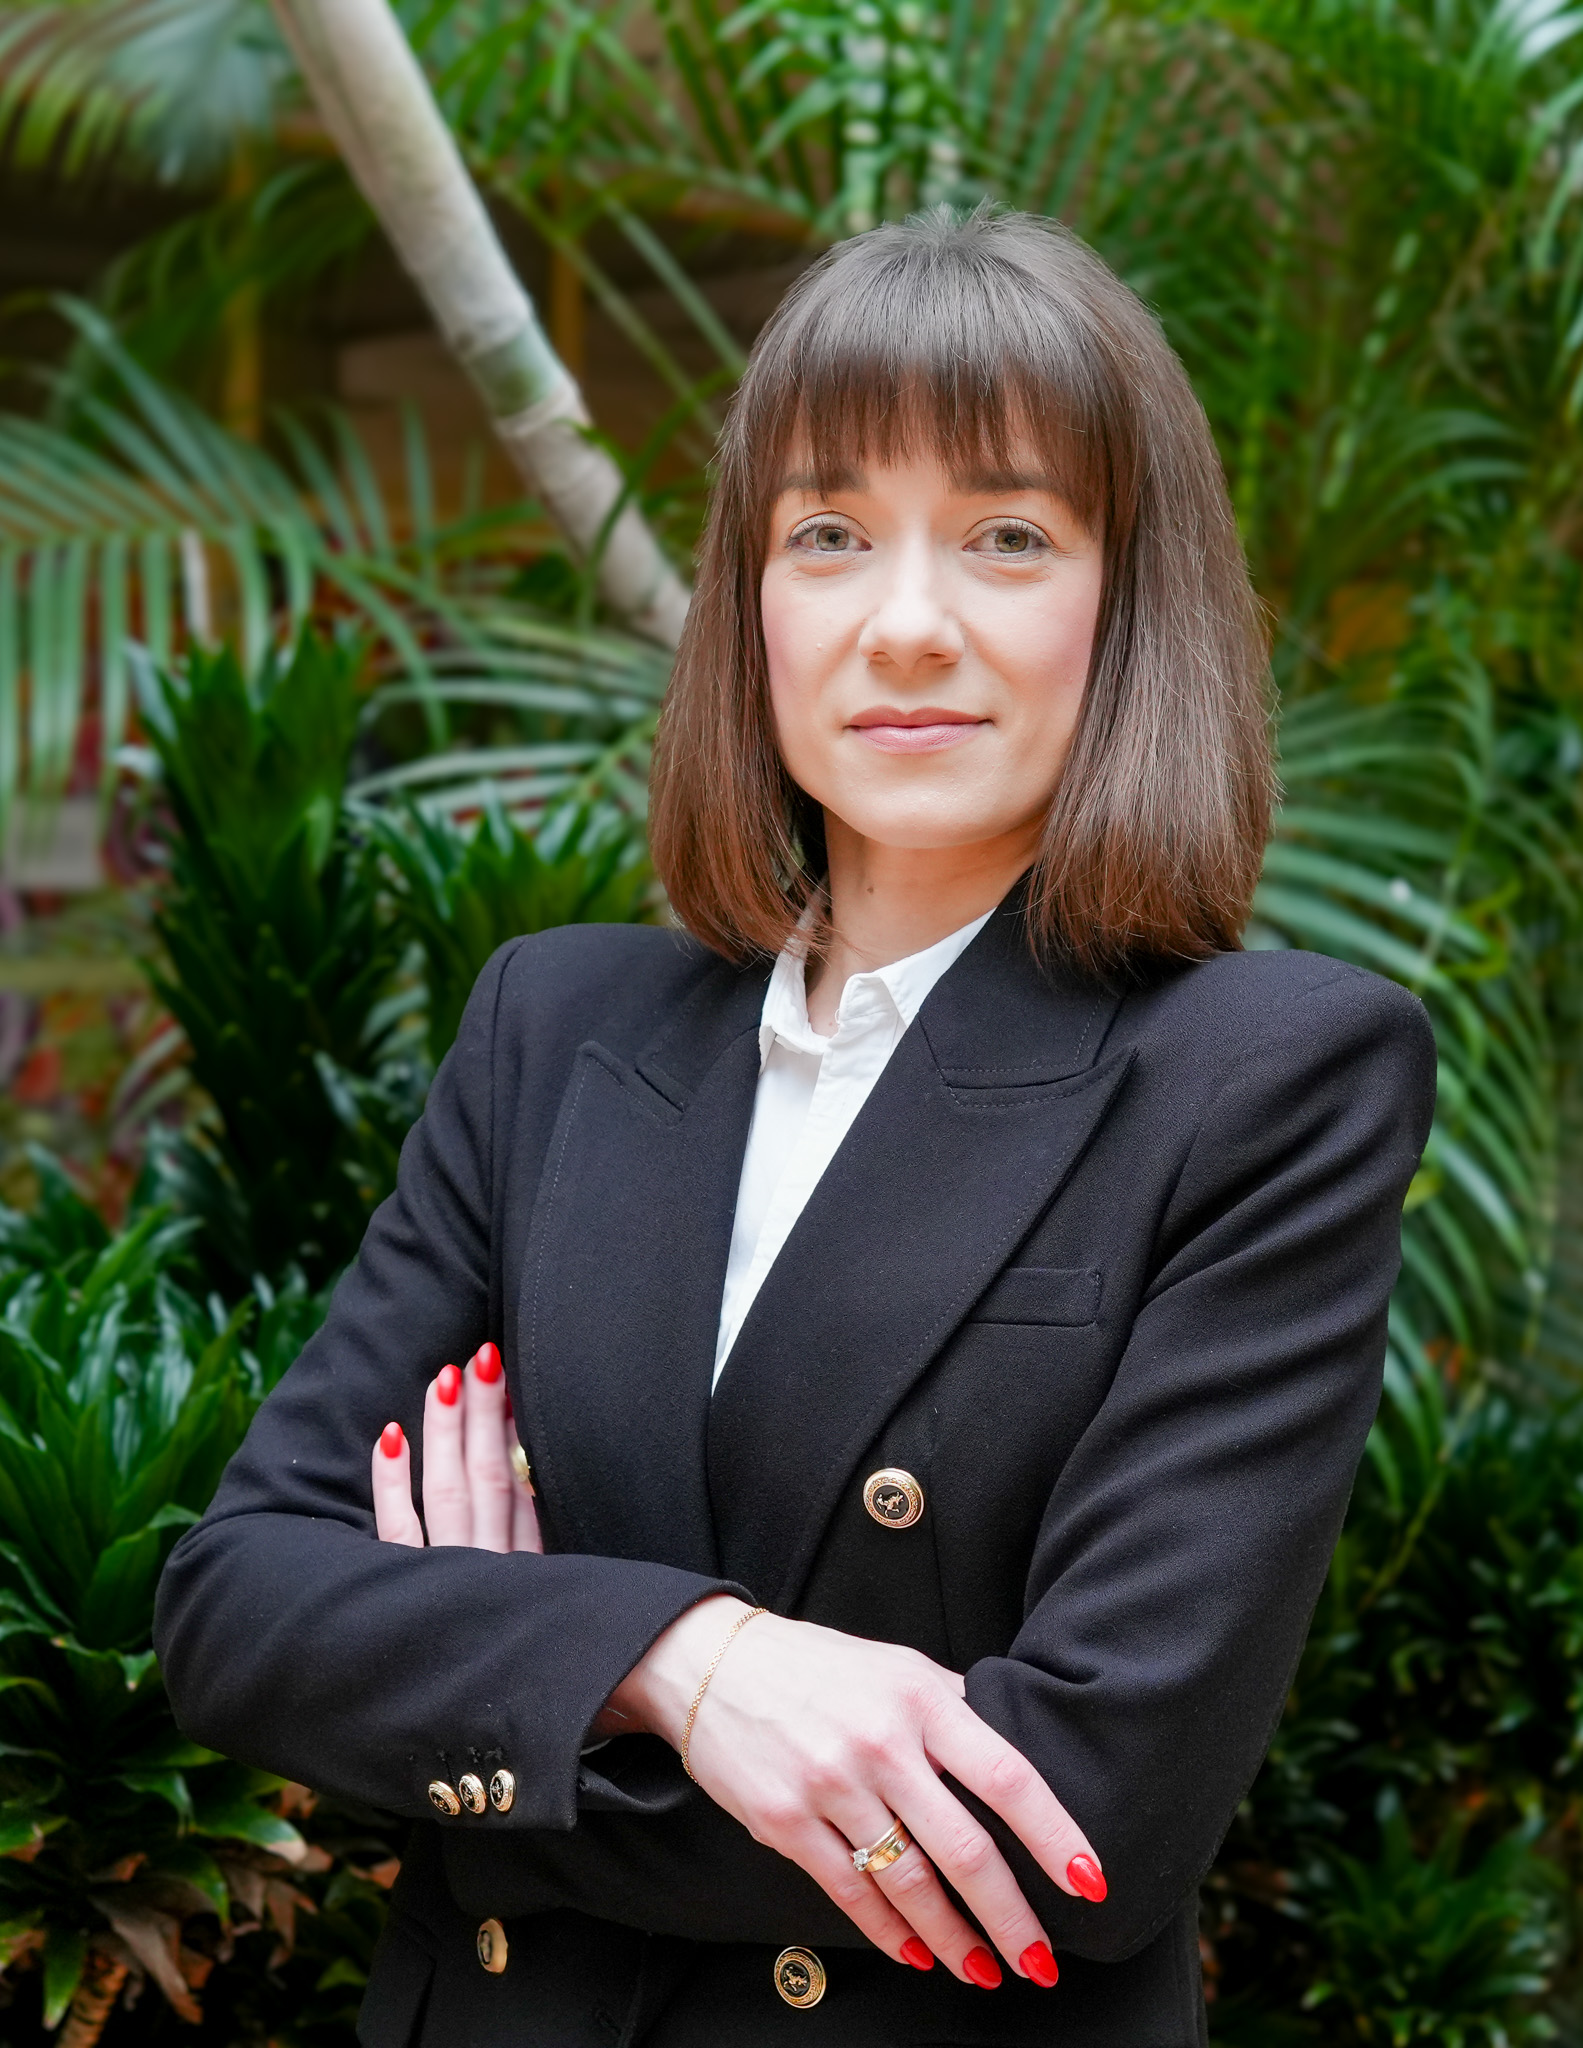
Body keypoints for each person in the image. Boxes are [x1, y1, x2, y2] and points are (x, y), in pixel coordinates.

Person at [154, 206, 1436, 2048]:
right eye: (828, 534)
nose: (905, 624)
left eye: (1008, 536)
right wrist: (690, 1665)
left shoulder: (1264, 1076)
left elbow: (1084, 1820)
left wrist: (504, 1689)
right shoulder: (557, 1027)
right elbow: (236, 1606)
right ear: (752, 601)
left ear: (1128, 604)